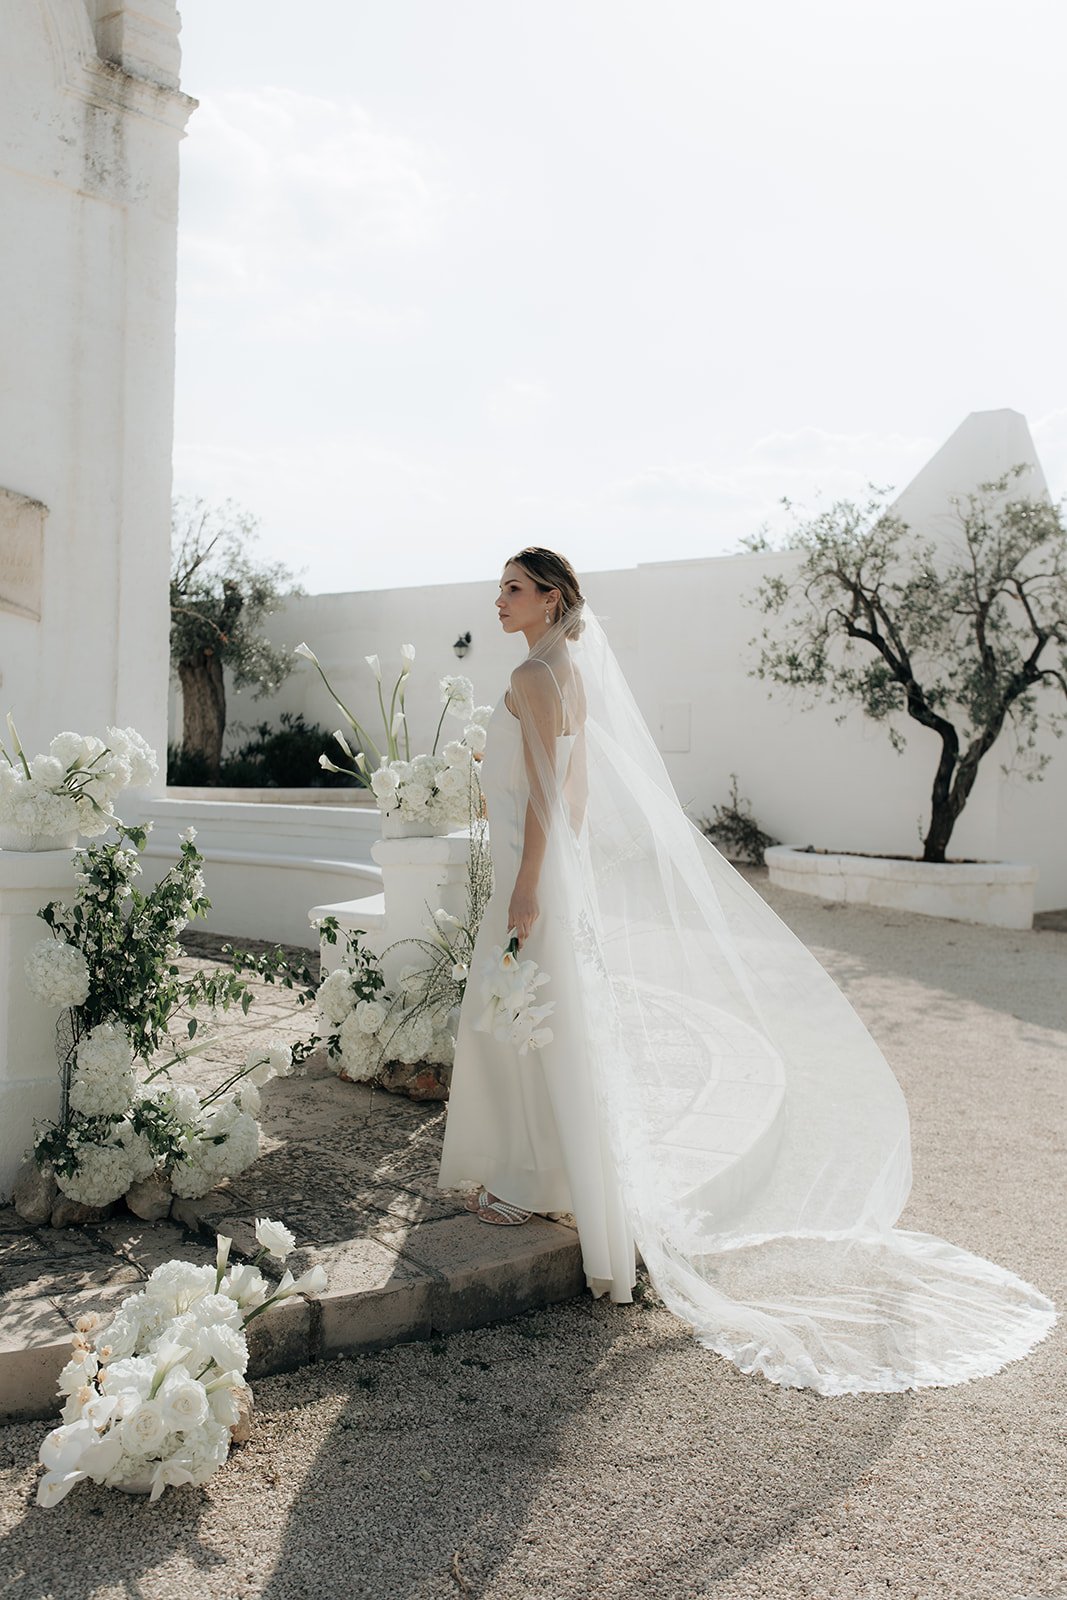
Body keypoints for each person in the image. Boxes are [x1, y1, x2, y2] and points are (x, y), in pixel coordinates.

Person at [437, 547, 1056, 1394]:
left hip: (529, 873)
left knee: (523, 1015)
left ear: (550, 600)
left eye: (513, 588)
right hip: (550, 871)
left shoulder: (534, 677)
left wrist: (524, 889)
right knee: (553, 1021)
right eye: (500, 587)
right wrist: (554, 869)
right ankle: (556, 1179)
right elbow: (573, 793)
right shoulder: (566, 670)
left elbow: (548, 797)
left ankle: (531, 1175)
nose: (498, 599)